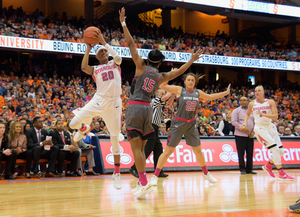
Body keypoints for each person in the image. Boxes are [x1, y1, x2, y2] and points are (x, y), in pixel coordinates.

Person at [119, 7, 203, 198]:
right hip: (149, 110)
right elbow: (180, 72)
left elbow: (131, 44)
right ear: (160, 63)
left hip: (135, 107)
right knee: (141, 148)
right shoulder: (161, 76)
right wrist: (191, 60)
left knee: (136, 149)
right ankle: (142, 183)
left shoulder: (140, 66)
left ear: (148, 59)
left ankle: (144, 182)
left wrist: (123, 23)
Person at [150, 73, 230, 186]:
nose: (190, 82)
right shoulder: (179, 90)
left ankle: (206, 173)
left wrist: (225, 93)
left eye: (192, 80)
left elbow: (211, 97)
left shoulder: (198, 93)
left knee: (198, 151)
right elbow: (162, 85)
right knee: (168, 151)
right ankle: (155, 175)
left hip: (191, 124)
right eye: (188, 80)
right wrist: (170, 75)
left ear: (195, 82)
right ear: (185, 81)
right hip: (178, 123)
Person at [69, 30, 123, 188]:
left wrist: (104, 43)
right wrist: (88, 48)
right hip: (99, 99)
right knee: (72, 124)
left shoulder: (115, 63)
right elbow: (84, 66)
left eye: (105, 51)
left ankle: (117, 173)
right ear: (97, 57)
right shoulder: (95, 69)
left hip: (114, 103)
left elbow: (118, 57)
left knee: (114, 138)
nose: (104, 53)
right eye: (101, 52)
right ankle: (84, 127)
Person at [242, 85, 294, 181]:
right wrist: (245, 122)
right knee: (275, 149)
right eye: (255, 91)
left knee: (281, 152)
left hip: (271, 127)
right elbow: (248, 114)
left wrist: (263, 114)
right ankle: (281, 173)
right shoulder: (252, 104)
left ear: (263, 92)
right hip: (260, 128)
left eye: (259, 90)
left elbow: (275, 117)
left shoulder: (270, 102)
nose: (257, 92)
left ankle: (268, 165)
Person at [129, 89, 174, 178]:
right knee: (147, 149)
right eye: (162, 94)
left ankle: (159, 171)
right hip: (151, 126)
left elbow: (169, 103)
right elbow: (165, 98)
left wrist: (173, 95)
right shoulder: (155, 100)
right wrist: (171, 90)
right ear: (157, 95)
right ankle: (134, 168)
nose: (164, 95)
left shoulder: (160, 103)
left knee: (158, 149)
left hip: (155, 128)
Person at [231, 97, 256, 175]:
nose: (242, 102)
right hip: (240, 135)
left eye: (244, 100)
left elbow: (256, 122)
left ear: (248, 101)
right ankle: (242, 168)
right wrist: (242, 127)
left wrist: (254, 131)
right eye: (241, 100)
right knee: (241, 153)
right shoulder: (236, 111)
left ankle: (249, 169)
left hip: (250, 135)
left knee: (250, 153)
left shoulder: (253, 111)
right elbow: (233, 122)